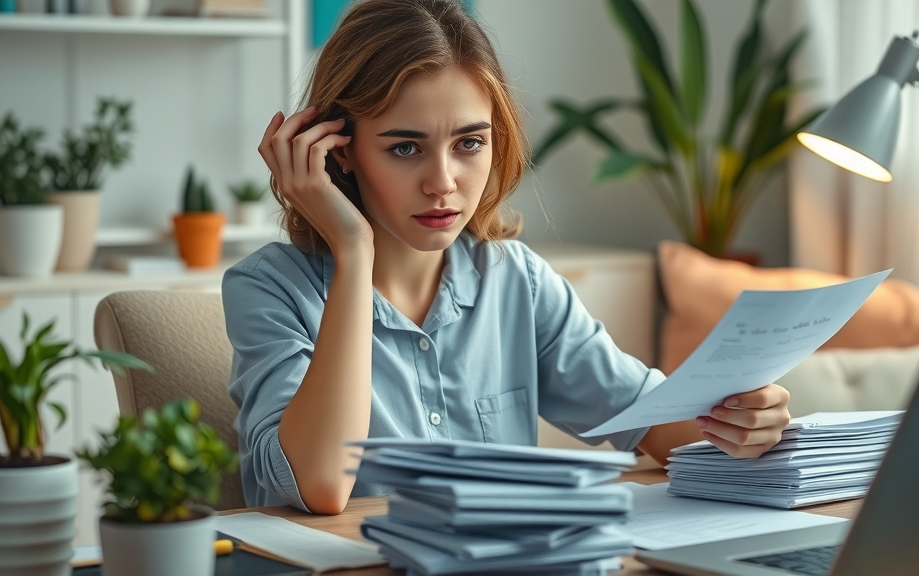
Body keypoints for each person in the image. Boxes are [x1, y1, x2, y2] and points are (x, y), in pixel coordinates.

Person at [222, 0, 791, 516]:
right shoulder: (268, 289)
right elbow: (320, 485)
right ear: (337, 150)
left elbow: (659, 427)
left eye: (469, 143)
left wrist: (740, 422)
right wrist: (352, 250)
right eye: (404, 147)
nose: (442, 182)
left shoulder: (518, 281)